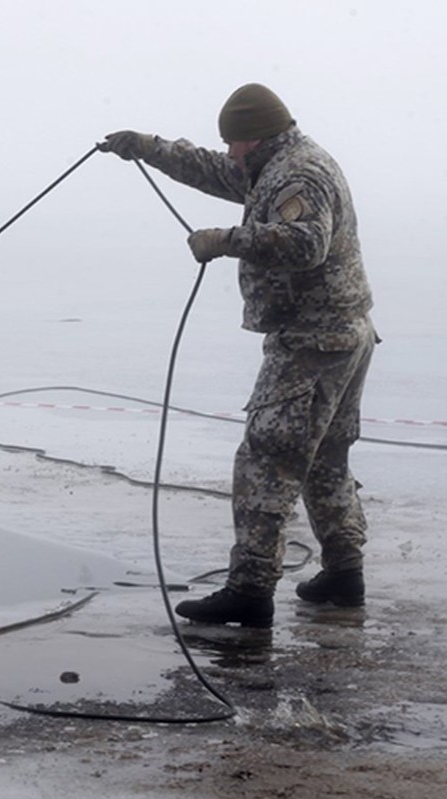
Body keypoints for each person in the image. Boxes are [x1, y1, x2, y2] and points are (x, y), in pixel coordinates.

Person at [100, 83, 376, 628]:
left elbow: (305, 244)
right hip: (342, 334)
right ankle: (344, 575)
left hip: (313, 341)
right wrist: (148, 146)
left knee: (266, 458)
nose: (228, 152)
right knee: (325, 460)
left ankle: (250, 590)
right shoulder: (271, 164)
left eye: (233, 143)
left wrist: (226, 239)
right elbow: (213, 171)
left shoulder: (300, 173)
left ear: (256, 136)